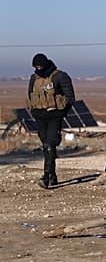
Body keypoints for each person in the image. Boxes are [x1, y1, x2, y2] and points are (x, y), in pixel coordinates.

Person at [27, 53, 75, 189]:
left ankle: (46, 177)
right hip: (39, 116)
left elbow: (70, 97)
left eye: (40, 66)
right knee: (46, 146)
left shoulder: (60, 76)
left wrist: (61, 113)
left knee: (50, 144)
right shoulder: (33, 78)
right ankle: (53, 176)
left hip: (54, 116)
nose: (38, 68)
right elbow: (30, 95)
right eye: (36, 66)